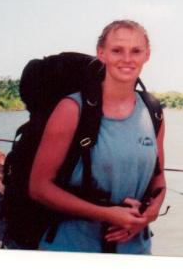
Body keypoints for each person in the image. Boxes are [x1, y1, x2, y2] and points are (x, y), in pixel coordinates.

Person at [28, 20, 166, 254]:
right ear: (101, 53)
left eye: (136, 51)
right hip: (71, 249)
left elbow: (158, 179)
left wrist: (149, 215)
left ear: (147, 55)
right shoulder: (72, 109)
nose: (127, 59)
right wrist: (107, 214)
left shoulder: (152, 111)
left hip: (136, 250)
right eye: (117, 50)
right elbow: (39, 187)